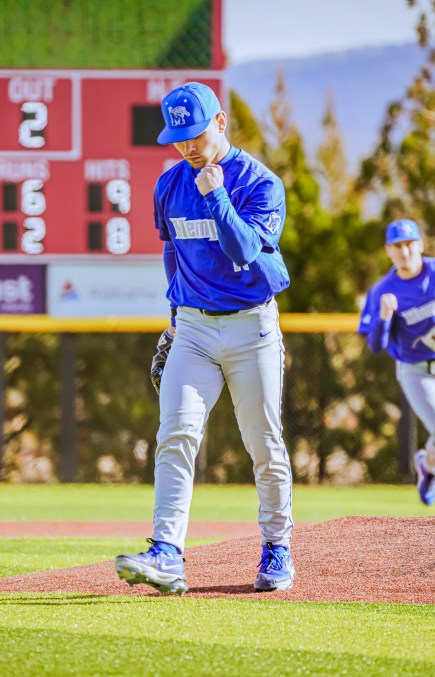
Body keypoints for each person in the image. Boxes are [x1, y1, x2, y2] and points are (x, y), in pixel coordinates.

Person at [114, 82, 295, 595]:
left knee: (264, 444)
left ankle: (277, 545)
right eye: (179, 138)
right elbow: (172, 249)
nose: (187, 147)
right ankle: (167, 553)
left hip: (251, 326)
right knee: (175, 434)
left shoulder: (259, 183)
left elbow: (243, 251)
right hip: (193, 328)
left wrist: (216, 195)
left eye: (195, 134)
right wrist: (174, 315)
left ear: (220, 122)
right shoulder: (169, 184)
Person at [357, 219, 435, 516]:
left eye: (409, 244)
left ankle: (427, 466)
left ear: (421, 245)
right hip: (415, 371)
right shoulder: (382, 291)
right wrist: (384, 317)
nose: (405, 251)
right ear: (388, 251)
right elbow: (375, 344)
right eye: (397, 246)